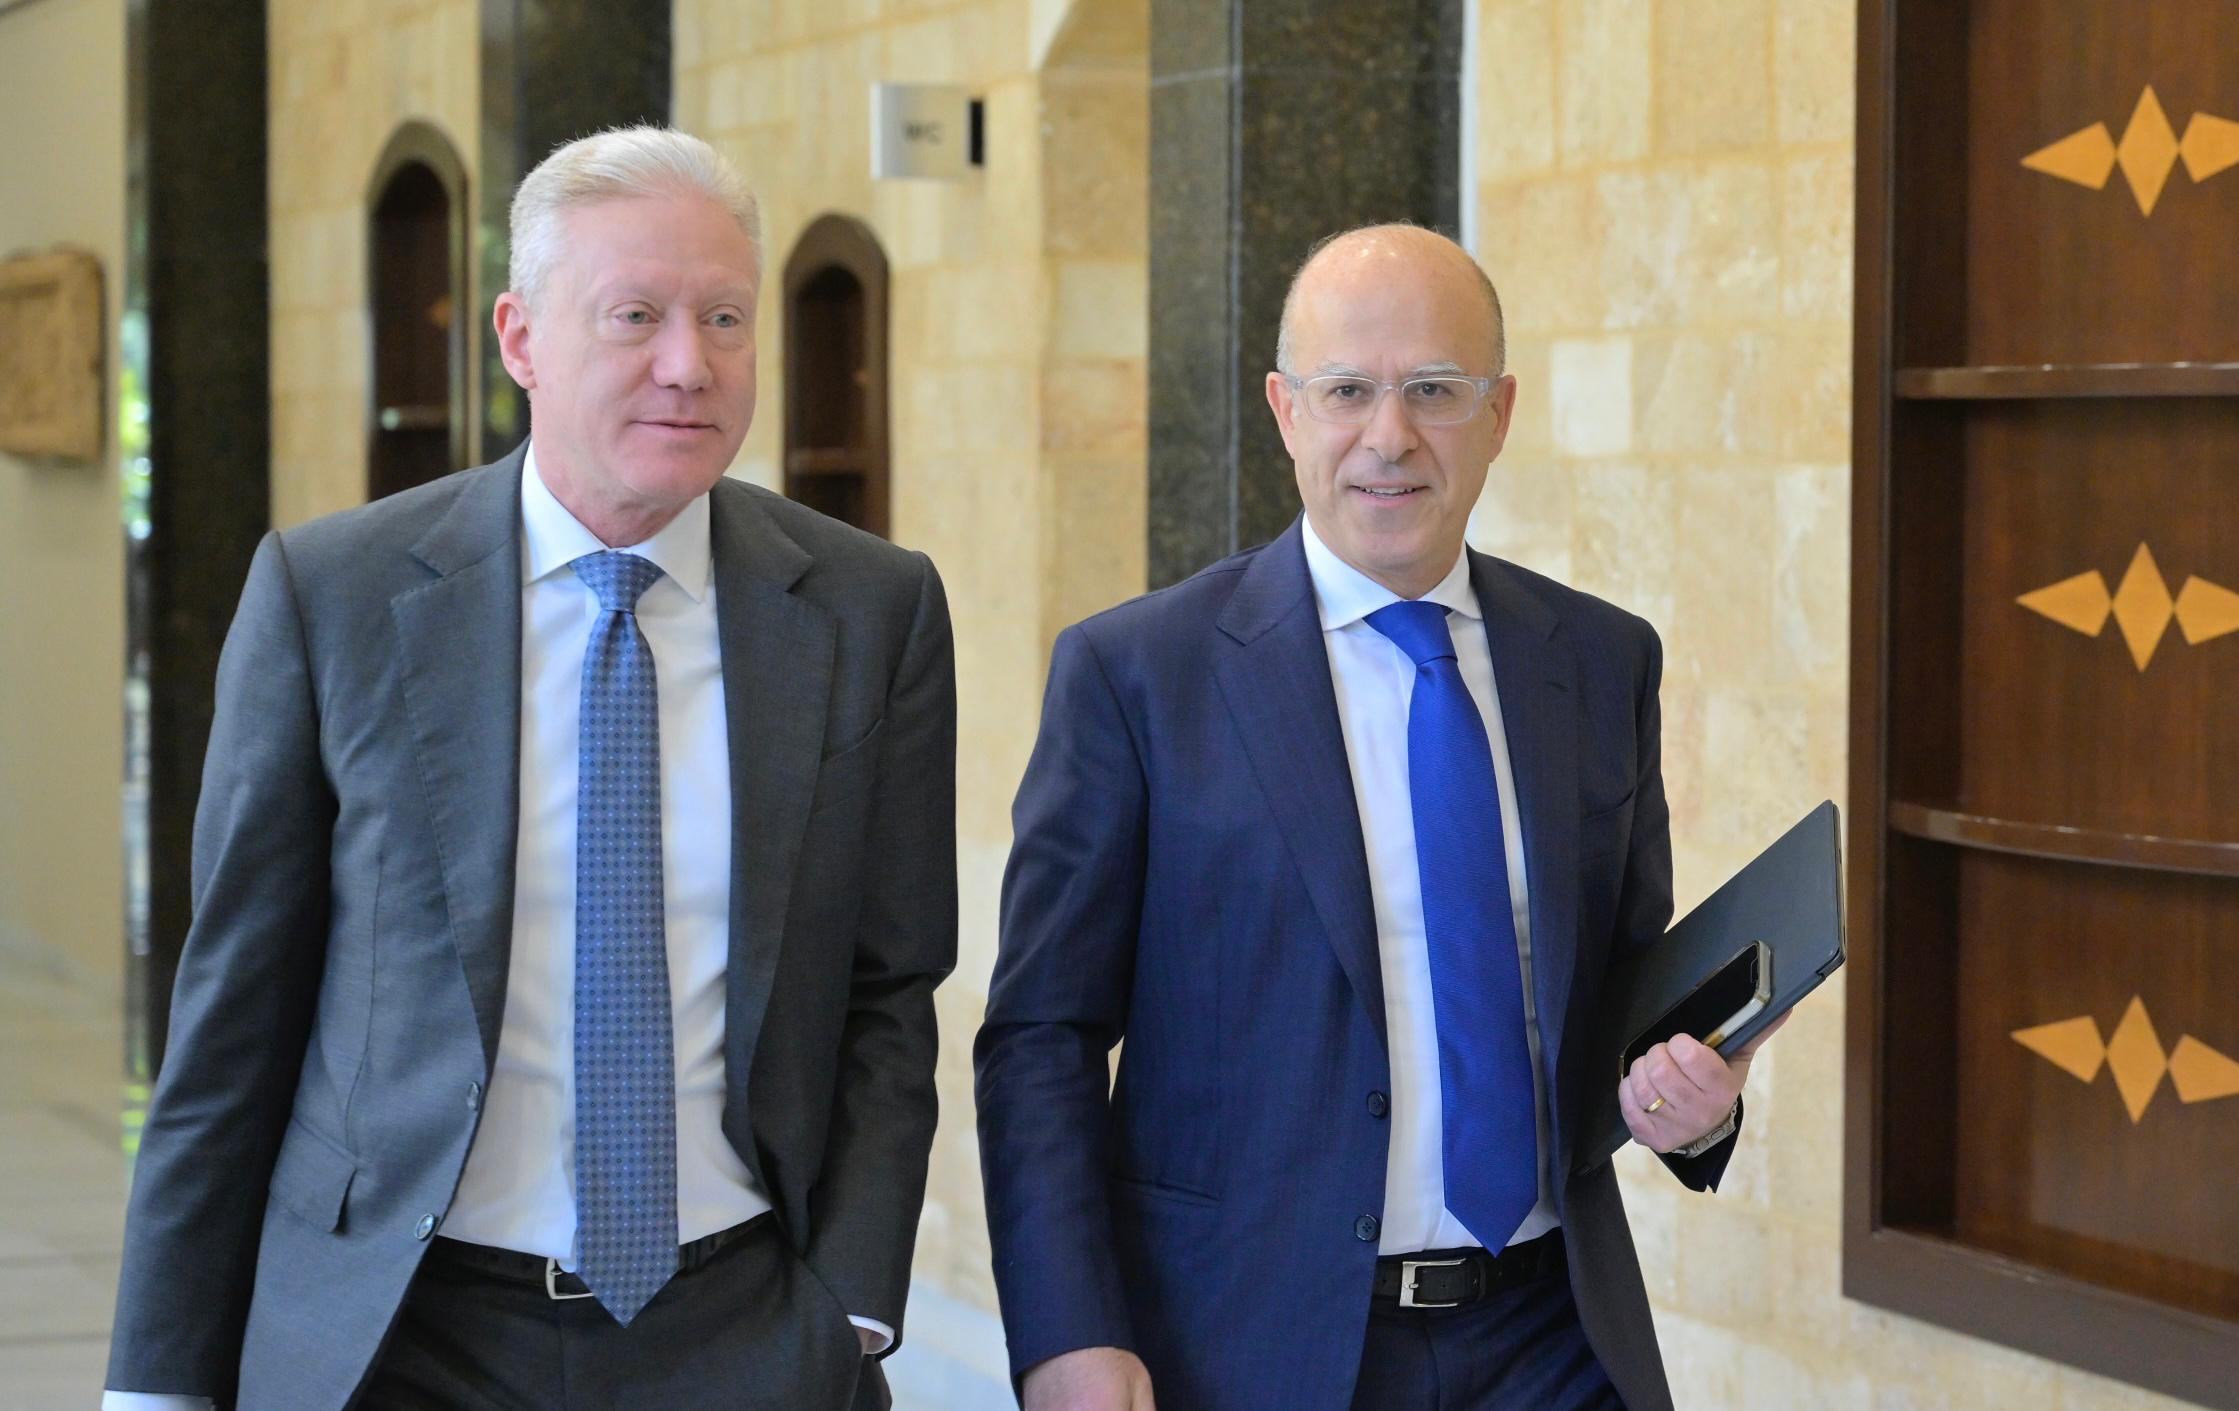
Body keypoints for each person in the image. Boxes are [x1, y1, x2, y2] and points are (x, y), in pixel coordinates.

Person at [103, 127, 955, 1411]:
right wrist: (157, 1381)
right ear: (520, 339)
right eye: (635, 315)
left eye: (725, 318)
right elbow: (233, 1018)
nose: (689, 364)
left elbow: (890, 990)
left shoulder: (867, 609)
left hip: (743, 1329)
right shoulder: (335, 598)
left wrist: (851, 1310)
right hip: (403, 1332)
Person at [976, 223, 1779, 1411]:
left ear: (1499, 413)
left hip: (1553, 1338)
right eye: (1346, 390)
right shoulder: (1139, 674)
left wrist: (1692, 1105)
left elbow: (1621, 994)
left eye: (1435, 391)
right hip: (1248, 1346)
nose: (1389, 435)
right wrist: (1067, 1335)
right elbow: (1041, 1035)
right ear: (1284, 410)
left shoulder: (1600, 660)